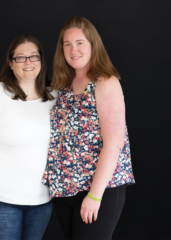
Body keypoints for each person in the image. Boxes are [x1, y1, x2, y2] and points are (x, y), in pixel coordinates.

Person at [42, 16, 135, 240]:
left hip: (98, 188)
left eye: (80, 43)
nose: (73, 50)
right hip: (65, 188)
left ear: (93, 45)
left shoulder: (105, 81)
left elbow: (114, 142)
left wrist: (94, 196)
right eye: (67, 44)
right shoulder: (63, 85)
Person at [0, 35, 57, 240]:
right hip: (0, 198)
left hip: (41, 199)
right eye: (20, 58)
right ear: (10, 64)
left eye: (34, 56)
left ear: (41, 61)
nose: (28, 62)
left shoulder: (55, 96)